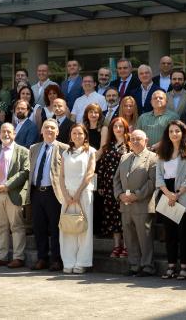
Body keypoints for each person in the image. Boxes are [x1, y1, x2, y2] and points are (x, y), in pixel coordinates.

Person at [155, 120, 186, 280]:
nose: (174, 134)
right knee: (170, 233)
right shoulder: (162, 152)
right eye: (171, 131)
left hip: (183, 195)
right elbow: (158, 177)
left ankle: (185, 266)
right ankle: (171, 264)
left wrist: (177, 194)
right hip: (167, 194)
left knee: (184, 234)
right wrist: (168, 194)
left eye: (177, 131)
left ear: (183, 133)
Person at [0, 123, 31, 268]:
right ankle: (1, 257)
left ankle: (18, 257)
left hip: (12, 193)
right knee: (0, 226)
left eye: (9, 131)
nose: (6, 134)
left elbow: (25, 171)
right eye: (3, 131)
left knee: (16, 226)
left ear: (14, 134)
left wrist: (7, 185)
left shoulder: (23, 151)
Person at [113, 129, 159, 277]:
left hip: (143, 204)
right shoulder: (124, 157)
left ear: (146, 141)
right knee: (129, 237)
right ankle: (134, 265)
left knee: (144, 238)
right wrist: (119, 195)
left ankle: (147, 266)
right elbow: (116, 179)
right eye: (132, 139)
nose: (135, 141)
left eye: (138, 139)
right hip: (125, 205)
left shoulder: (153, 158)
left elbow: (152, 182)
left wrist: (136, 196)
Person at [55, 124, 97, 273]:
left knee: (84, 228)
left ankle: (82, 262)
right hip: (67, 195)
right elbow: (61, 176)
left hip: (84, 193)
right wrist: (66, 195)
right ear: (70, 135)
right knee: (67, 227)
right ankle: (68, 261)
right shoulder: (65, 153)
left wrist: (78, 193)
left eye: (80, 133)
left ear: (85, 135)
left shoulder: (91, 151)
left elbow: (90, 173)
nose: (77, 136)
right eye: (74, 133)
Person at [29, 119, 68, 271]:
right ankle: (42, 258)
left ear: (57, 132)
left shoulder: (64, 149)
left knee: (55, 228)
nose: (49, 130)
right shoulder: (34, 148)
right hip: (36, 192)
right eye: (46, 127)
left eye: (52, 128)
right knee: (39, 228)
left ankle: (56, 260)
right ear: (41, 131)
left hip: (54, 193)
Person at [96, 116, 129, 258]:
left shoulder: (129, 145)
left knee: (125, 217)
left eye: (121, 126)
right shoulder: (108, 146)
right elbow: (102, 166)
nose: (118, 129)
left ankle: (127, 246)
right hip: (109, 187)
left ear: (125, 128)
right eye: (115, 127)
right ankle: (116, 246)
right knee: (113, 217)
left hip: (124, 186)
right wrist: (101, 184)